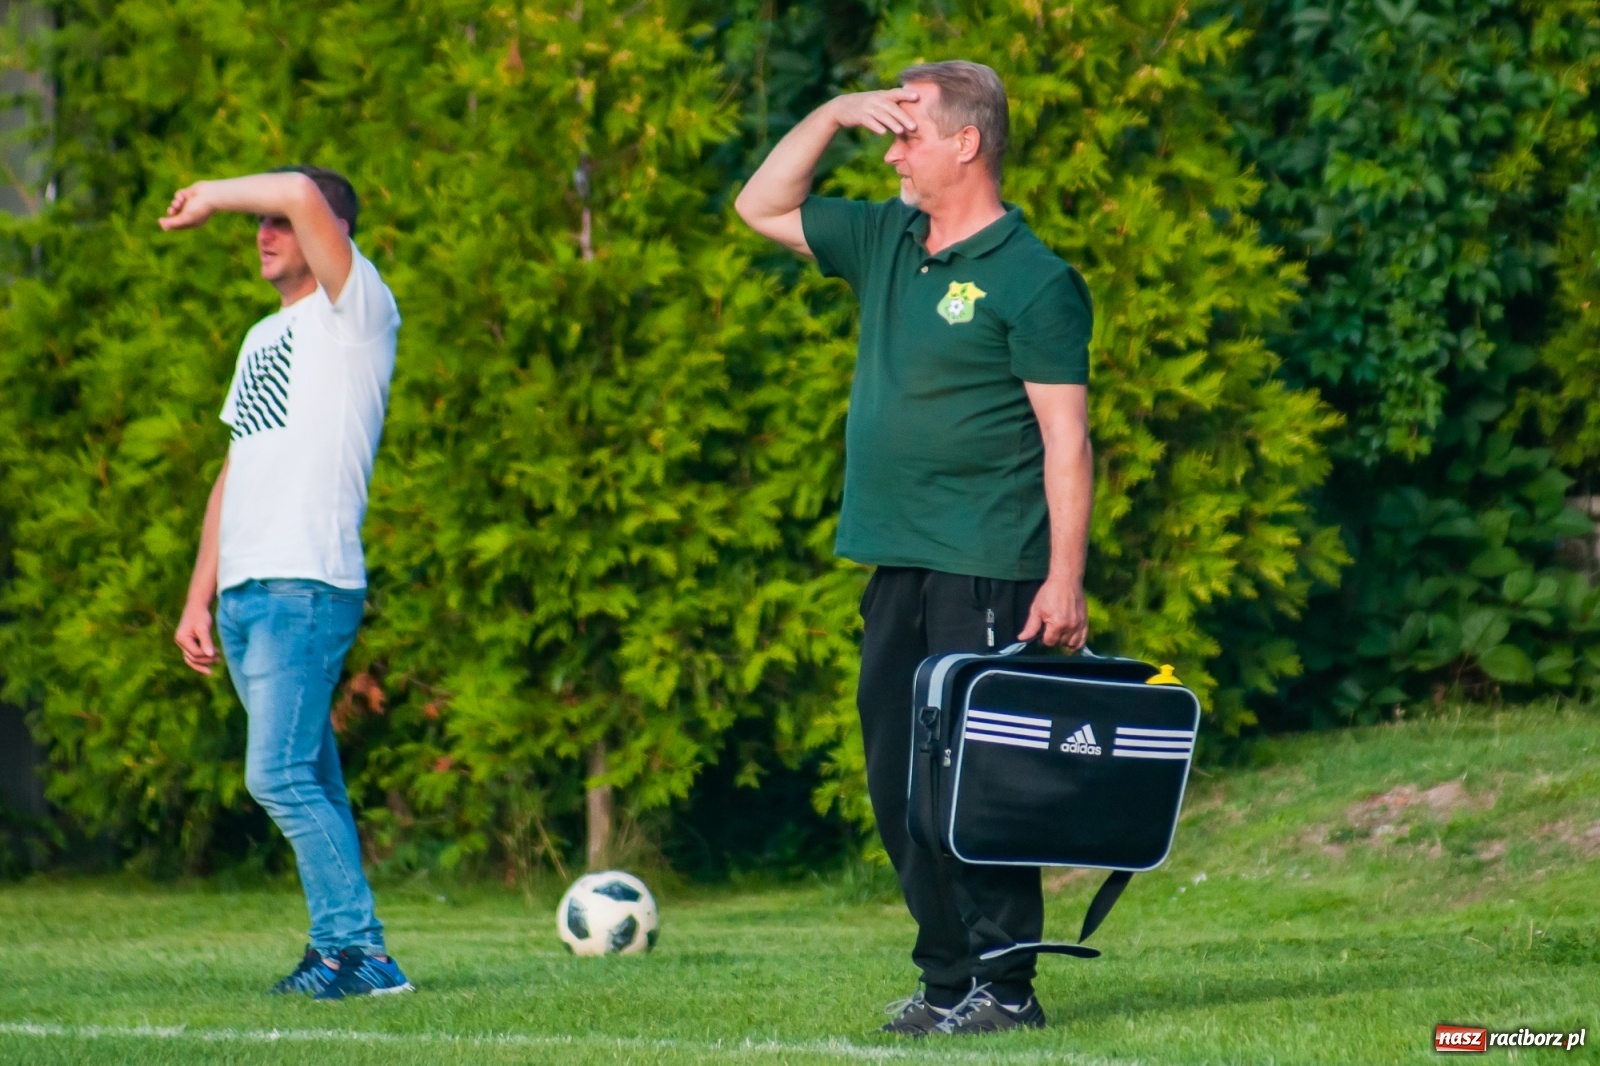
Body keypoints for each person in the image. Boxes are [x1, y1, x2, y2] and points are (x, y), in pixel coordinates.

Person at [736, 60, 1093, 1035]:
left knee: (972, 788)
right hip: (897, 559)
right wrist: (827, 110)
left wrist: (1063, 578)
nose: (889, 148)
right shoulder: (889, 239)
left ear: (965, 143)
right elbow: (759, 204)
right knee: (899, 783)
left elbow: (1066, 439)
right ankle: (945, 981)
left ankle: (1006, 989)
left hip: (987, 561)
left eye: (906, 131)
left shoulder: (1034, 278)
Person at [165, 167, 413, 1000]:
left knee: (275, 775)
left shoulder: (358, 314)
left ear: (328, 232)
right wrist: (200, 595)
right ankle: (342, 954)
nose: (265, 232)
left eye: (278, 220)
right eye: (256, 222)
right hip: (246, 594)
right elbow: (234, 472)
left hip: (306, 584)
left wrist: (209, 192)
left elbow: (307, 194)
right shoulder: (260, 340)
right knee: (308, 773)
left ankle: (362, 952)